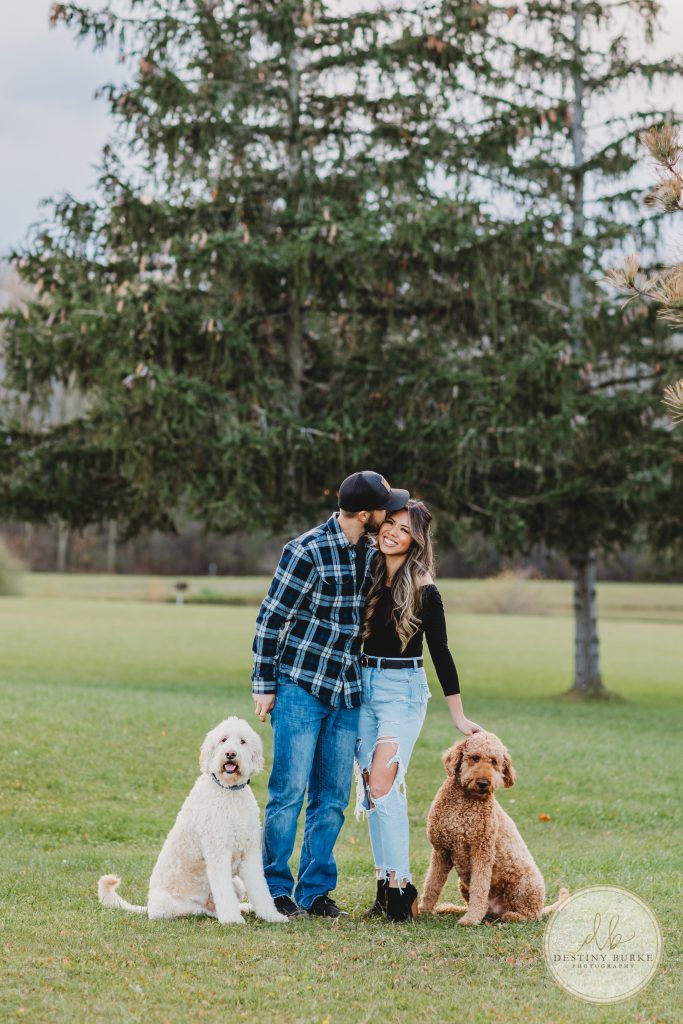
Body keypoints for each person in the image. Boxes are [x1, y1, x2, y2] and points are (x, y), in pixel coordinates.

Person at [251, 470, 409, 918]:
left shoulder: (370, 552)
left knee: (333, 798)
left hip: (346, 690)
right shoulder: (306, 551)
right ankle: (274, 889)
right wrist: (264, 684)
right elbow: (270, 618)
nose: (388, 517)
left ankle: (315, 891)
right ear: (364, 513)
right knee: (288, 792)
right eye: (383, 510)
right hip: (300, 685)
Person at [354, 499, 482, 922]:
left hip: (402, 692)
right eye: (389, 523)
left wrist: (458, 716)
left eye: (404, 529)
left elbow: (440, 651)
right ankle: (384, 885)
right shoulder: (370, 572)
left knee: (384, 785)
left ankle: (402, 888)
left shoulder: (425, 588)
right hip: (363, 688)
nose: (392, 532)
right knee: (371, 790)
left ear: (416, 541)